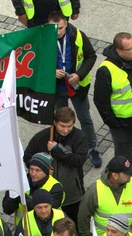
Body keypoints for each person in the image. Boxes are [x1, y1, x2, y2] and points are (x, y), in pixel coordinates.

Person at [50, 13, 100, 168]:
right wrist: (52, 71)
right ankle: (62, 148)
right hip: (58, 88)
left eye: (61, 28)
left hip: (77, 87)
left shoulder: (78, 35)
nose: (58, 32)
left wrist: (79, 74)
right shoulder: (44, 39)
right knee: (61, 121)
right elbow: (37, 63)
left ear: (67, 24)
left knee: (85, 118)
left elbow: (91, 56)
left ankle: (92, 148)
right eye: (54, 28)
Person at [93, 33, 132, 161]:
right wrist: (114, 124)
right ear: (119, 50)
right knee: (125, 159)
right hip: (122, 125)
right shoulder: (106, 70)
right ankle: (125, 180)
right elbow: (100, 101)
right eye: (130, 48)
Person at [24, 108, 90, 223]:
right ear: (55, 122)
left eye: (69, 126)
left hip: (71, 193)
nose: (66, 130)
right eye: (62, 126)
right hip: (46, 191)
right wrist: (42, 170)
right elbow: (27, 158)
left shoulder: (79, 137)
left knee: (73, 222)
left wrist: (57, 150)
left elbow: (78, 160)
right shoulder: (41, 137)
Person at [78, 157, 132, 236]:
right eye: (126, 173)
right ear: (115, 176)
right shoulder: (94, 190)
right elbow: (83, 220)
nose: (130, 175)